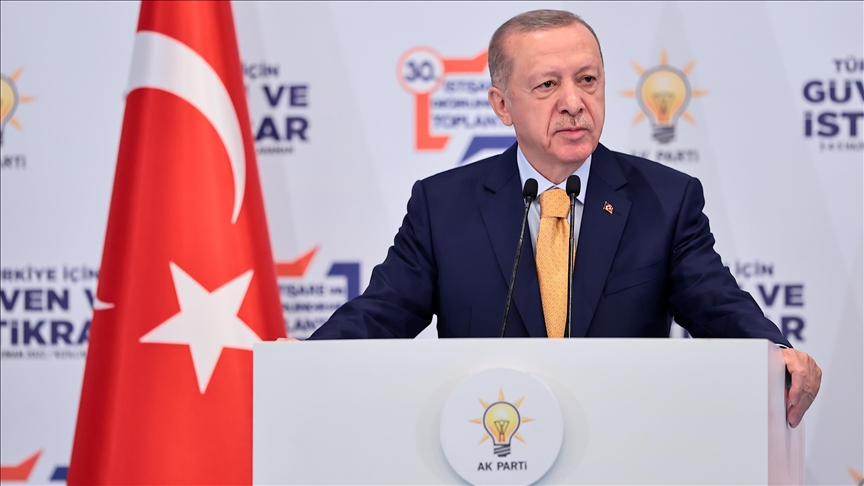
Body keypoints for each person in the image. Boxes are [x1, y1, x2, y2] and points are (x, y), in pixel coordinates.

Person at [306, 9, 820, 427]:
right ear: (502, 105)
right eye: (547, 85)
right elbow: (384, 312)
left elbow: (715, 303)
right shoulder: (442, 205)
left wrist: (774, 351)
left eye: (587, 80)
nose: (574, 103)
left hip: (624, 447)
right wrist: (305, 362)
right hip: (488, 451)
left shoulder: (665, 199)